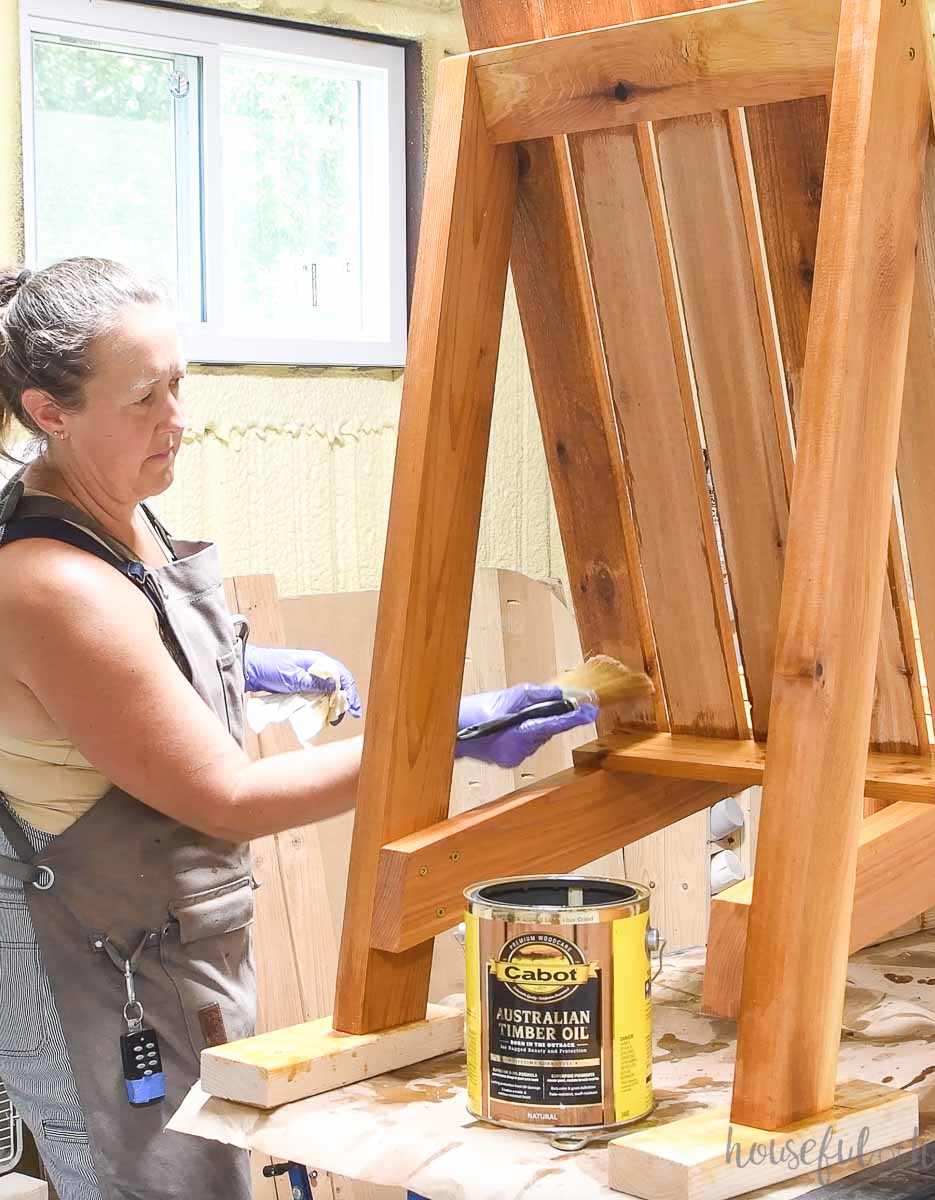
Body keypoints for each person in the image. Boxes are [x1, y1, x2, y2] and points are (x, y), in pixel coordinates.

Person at [0, 257, 596, 1200]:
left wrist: (241, 669)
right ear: (49, 412)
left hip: (168, 942)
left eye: (181, 383)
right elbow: (227, 798)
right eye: (145, 398)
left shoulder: (122, 514)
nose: (176, 419)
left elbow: (139, 665)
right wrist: (446, 736)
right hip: (91, 963)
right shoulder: (48, 580)